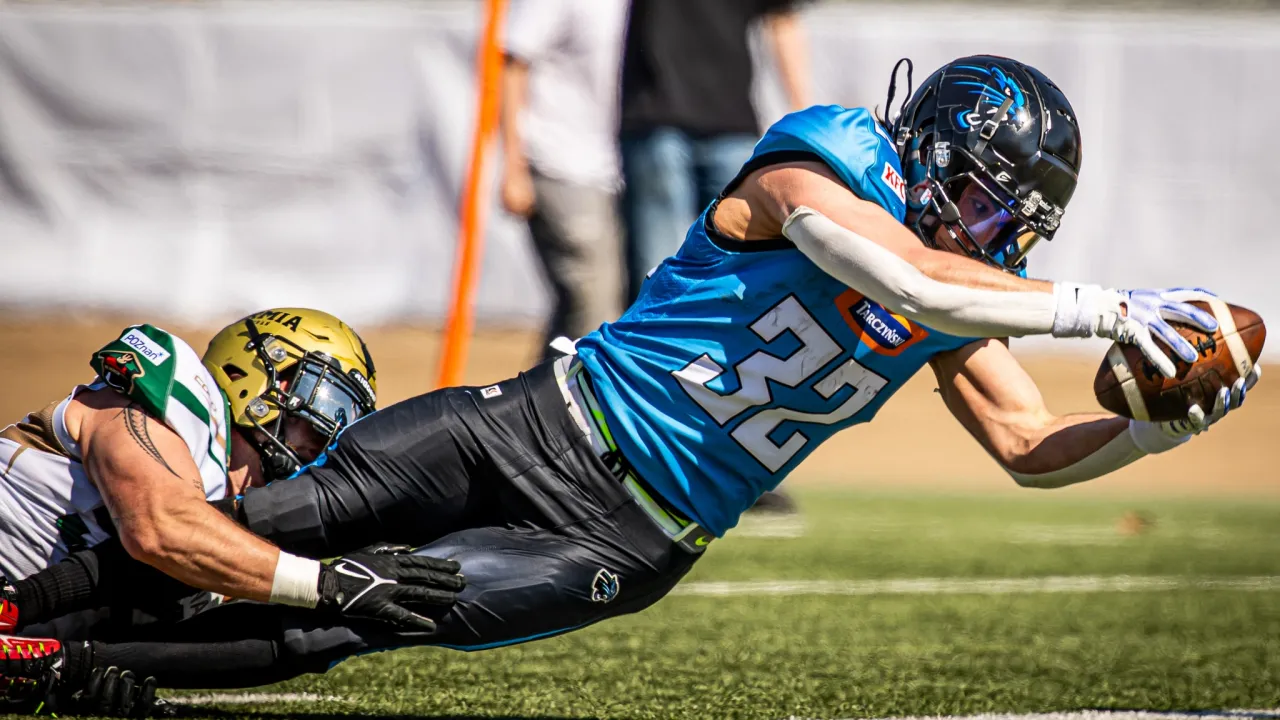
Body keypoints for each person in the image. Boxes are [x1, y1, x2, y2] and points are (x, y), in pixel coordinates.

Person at [1, 56, 1260, 714]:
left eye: (1011, 225)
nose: (993, 238)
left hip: (626, 538)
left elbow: (1030, 444)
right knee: (292, 516)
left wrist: (1145, 438)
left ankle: (58, 666)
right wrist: (1110, 308)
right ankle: (20, 609)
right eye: (982, 203)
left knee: (350, 621)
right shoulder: (825, 158)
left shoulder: (958, 285)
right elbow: (906, 276)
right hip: (544, 421)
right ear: (929, 149)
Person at [0, 310, 464, 712]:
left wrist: (76, 672)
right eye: (327, 402)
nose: (326, 437)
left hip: (20, 631)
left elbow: (265, 637)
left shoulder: (243, 527)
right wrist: (329, 584)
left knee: (316, 630)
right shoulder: (176, 400)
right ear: (259, 374)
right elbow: (161, 531)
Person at [617, 0, 815, 514]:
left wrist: (806, 118)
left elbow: (782, 20)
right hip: (656, 118)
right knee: (662, 299)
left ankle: (736, 464)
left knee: (748, 301)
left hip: (731, 122)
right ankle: (642, 457)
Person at [498, 0, 629, 363]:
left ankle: (538, 394)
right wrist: (513, 167)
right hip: (558, 162)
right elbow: (512, 64)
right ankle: (577, 396)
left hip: (618, 167)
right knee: (596, 306)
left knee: (585, 307)